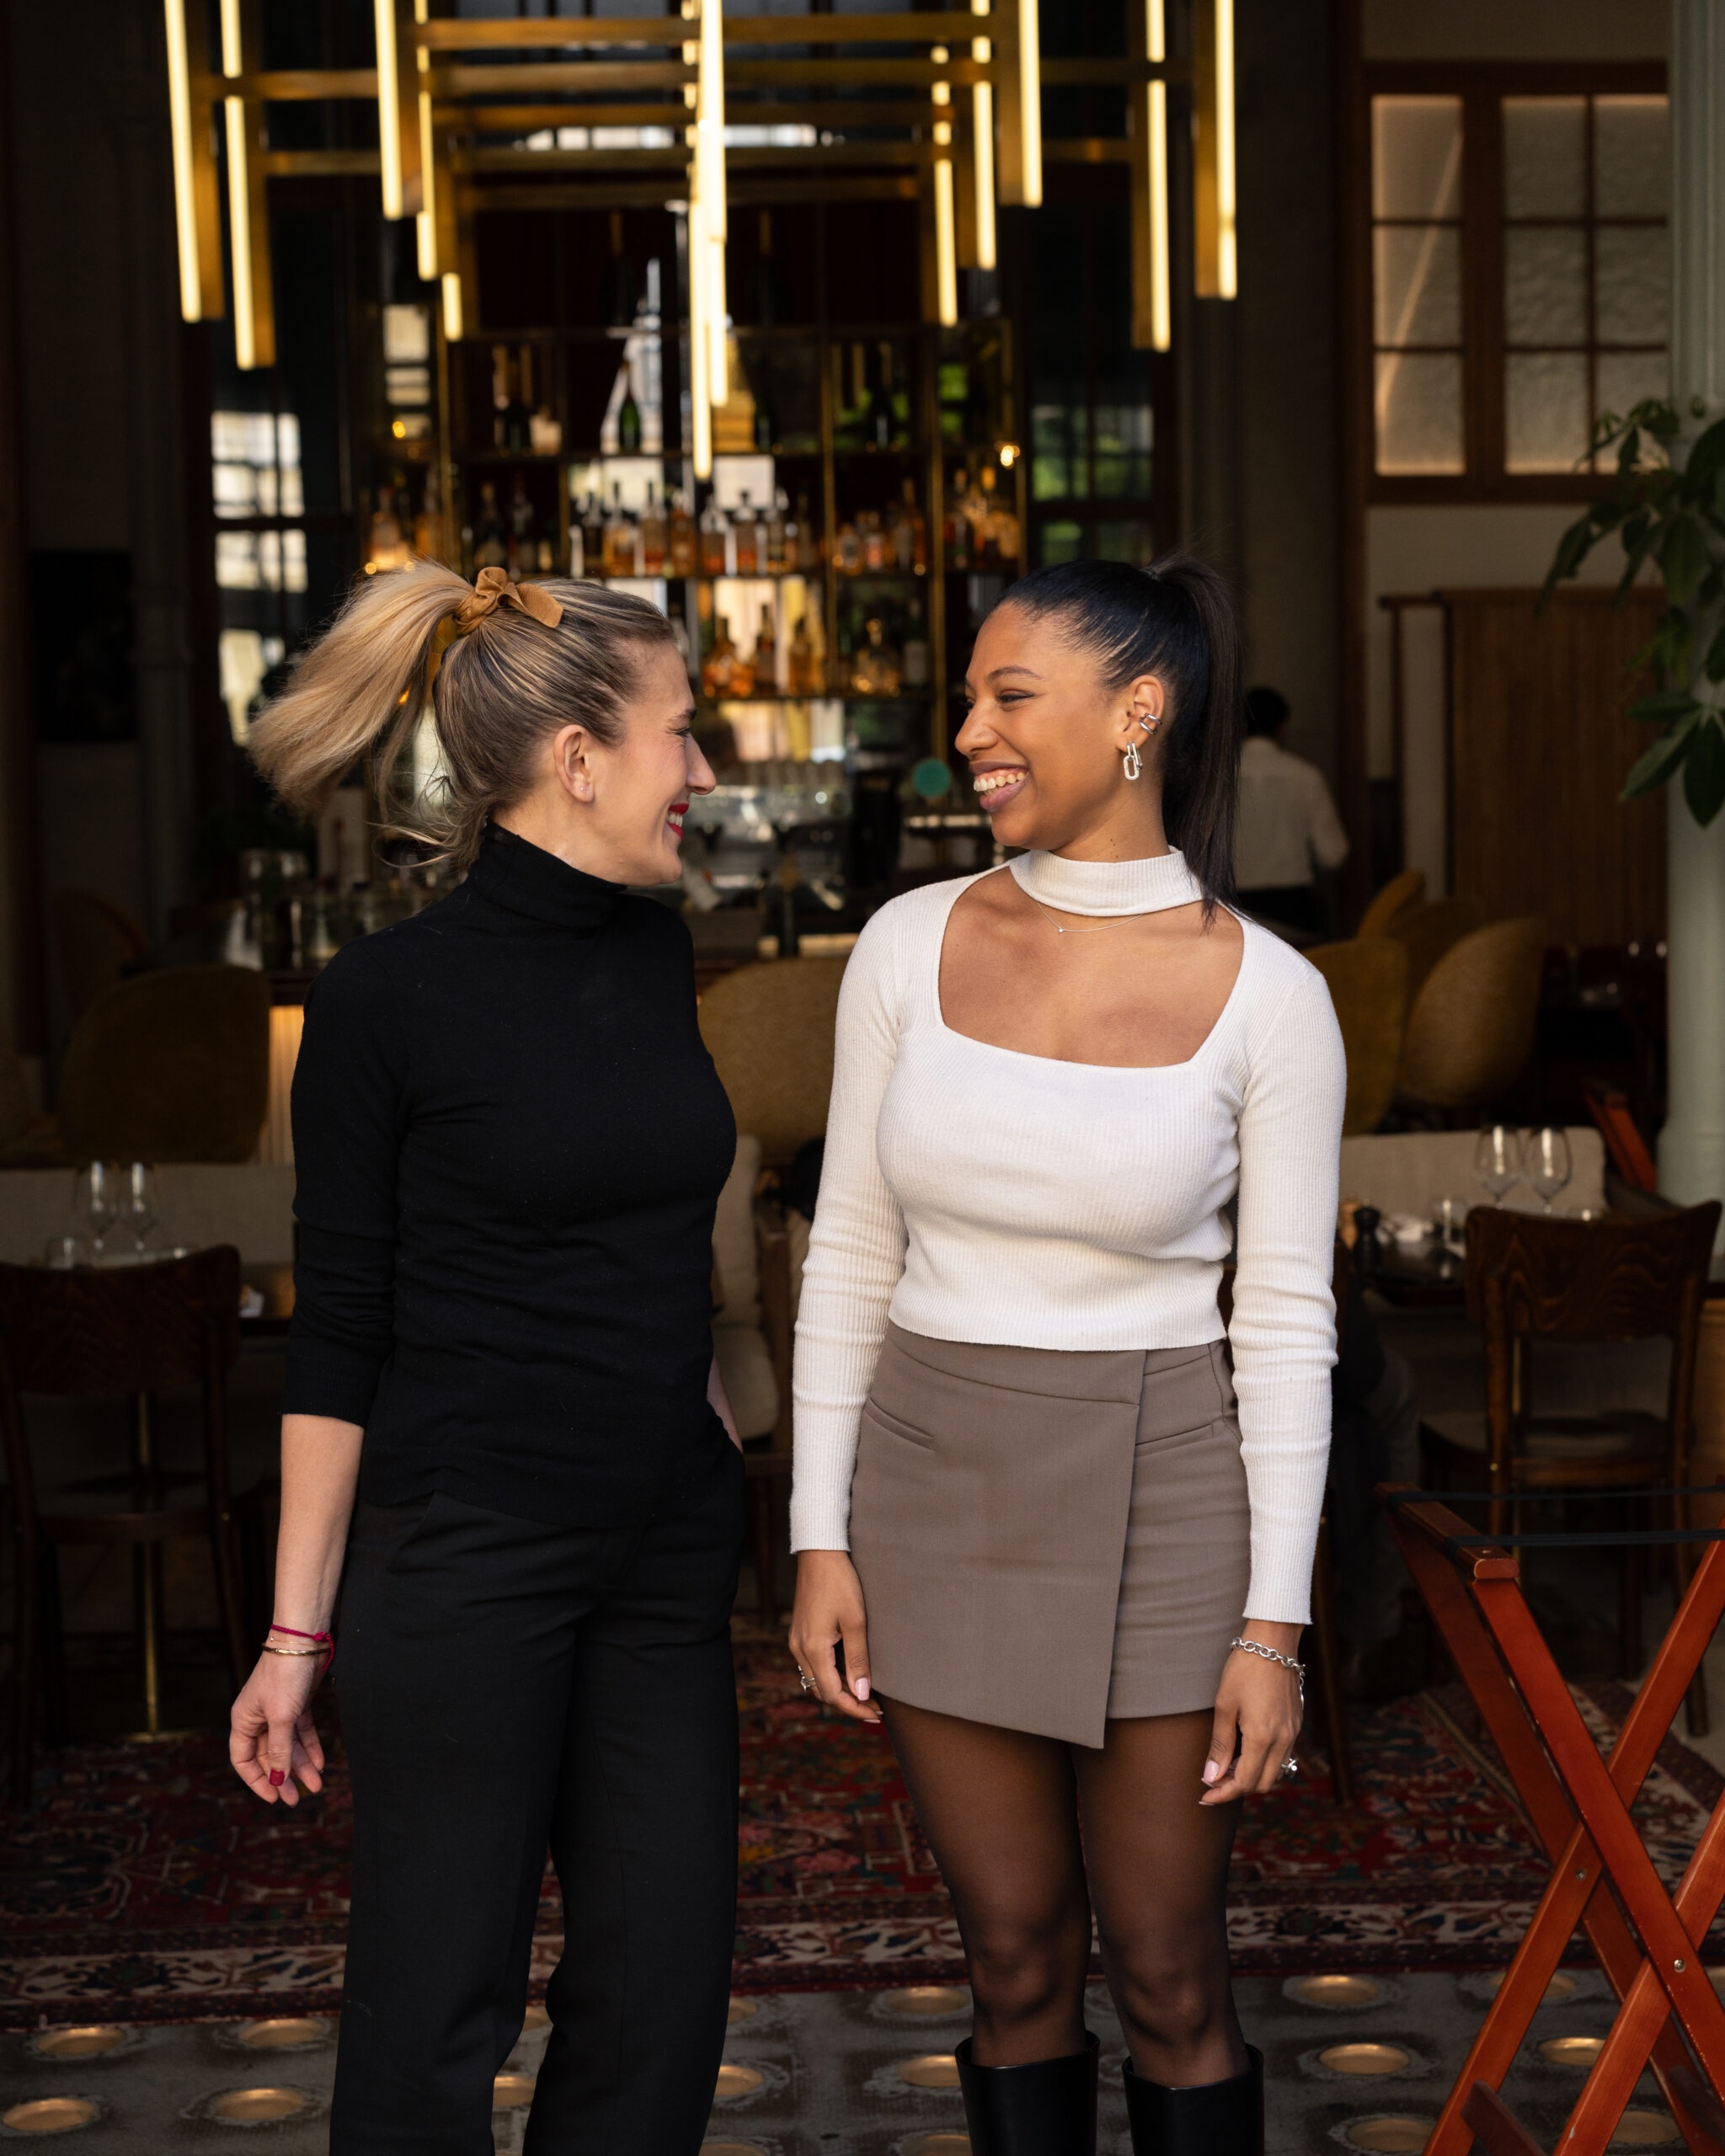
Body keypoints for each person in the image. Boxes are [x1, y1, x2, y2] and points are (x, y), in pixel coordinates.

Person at [789, 558, 1345, 2156]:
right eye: (969, 697)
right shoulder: (902, 945)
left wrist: (1274, 1627)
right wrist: (817, 1533)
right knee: (1014, 1957)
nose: (968, 730)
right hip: (934, 1481)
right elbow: (849, 1253)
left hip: (1169, 1491)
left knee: (1169, 1975)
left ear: (1136, 712)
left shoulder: (1274, 996)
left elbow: (1283, 1324)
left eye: (1009, 697)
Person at [228, 563, 746, 2156]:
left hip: (663, 1544)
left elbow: (647, 1235)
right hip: (470, 1560)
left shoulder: (656, 953)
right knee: (438, 2006)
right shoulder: (383, 1002)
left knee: (661, 1993)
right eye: (681, 733)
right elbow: (340, 1333)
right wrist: (296, 1634)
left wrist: (710, 1434)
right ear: (579, 758)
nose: (704, 769)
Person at [1232, 684, 1348, 937]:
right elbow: (1333, 854)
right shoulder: (1306, 776)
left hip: (1231, 904)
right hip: (1292, 907)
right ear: (1282, 727)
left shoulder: (1218, 779)